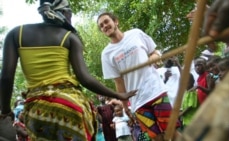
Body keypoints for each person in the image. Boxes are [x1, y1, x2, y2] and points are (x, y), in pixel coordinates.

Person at [0, 0, 137, 140]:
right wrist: (119, 95)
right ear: (65, 12)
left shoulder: (17, 34)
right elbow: (85, 79)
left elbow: (6, 78)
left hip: (37, 110)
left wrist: (5, 111)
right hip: (70, 105)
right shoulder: (70, 37)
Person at [97, 12, 180, 141]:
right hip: (138, 103)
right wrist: (125, 107)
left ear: (116, 21)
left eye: (106, 22)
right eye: (101, 26)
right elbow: (119, 83)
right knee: (156, 138)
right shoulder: (106, 54)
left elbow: (155, 53)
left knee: (173, 133)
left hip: (156, 92)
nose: (104, 26)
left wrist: (152, 58)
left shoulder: (136, 34)